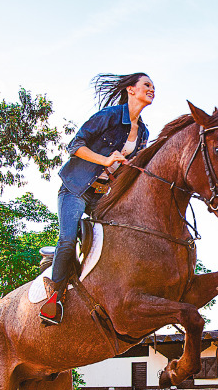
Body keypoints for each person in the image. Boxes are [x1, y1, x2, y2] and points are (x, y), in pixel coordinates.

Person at [41, 72, 155, 324]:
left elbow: (128, 169)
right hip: (76, 188)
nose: (151, 89)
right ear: (130, 90)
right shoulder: (109, 116)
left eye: (153, 87)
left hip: (103, 196)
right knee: (68, 240)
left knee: (119, 243)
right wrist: (105, 159)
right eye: (146, 85)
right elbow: (74, 145)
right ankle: (54, 298)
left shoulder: (144, 133)